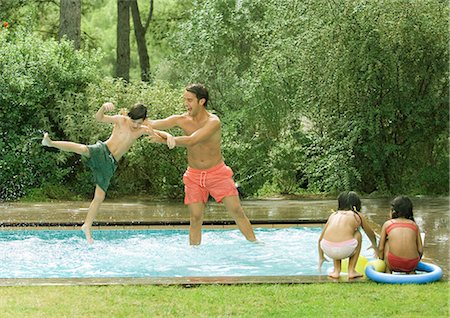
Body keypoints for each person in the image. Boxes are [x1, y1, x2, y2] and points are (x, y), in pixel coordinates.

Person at [42, 102, 175, 243]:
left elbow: (159, 133)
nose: (135, 125)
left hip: (110, 164)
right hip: (103, 151)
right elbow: (99, 118)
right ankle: (51, 143)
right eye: (133, 121)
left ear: (143, 121)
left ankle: (87, 226)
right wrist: (103, 108)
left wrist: (169, 136)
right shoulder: (121, 120)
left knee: (99, 196)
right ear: (129, 116)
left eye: (139, 122)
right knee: (83, 149)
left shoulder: (141, 129)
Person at [147, 83, 256, 245]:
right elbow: (152, 123)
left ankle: (255, 244)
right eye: (185, 100)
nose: (186, 104)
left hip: (217, 174)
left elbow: (193, 140)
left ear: (202, 101)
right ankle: (194, 254)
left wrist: (166, 140)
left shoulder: (213, 122)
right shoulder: (181, 119)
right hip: (194, 176)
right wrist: (131, 119)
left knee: (236, 211)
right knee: (195, 217)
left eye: (190, 100)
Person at [318, 191, 379, 279]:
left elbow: (320, 239)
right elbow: (371, 234)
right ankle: (351, 271)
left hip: (327, 248)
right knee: (358, 234)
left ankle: (336, 271)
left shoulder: (333, 215)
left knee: (336, 233)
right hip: (345, 249)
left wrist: (321, 257)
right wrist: (374, 245)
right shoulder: (357, 215)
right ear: (356, 204)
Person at [378, 196, 423, 274]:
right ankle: (411, 271)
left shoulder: (388, 224)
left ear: (393, 211)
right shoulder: (414, 225)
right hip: (412, 263)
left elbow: (381, 248)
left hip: (393, 263)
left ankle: (388, 271)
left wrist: (381, 261)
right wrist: (415, 262)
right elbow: (420, 250)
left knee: (387, 242)